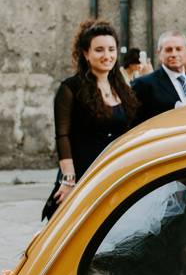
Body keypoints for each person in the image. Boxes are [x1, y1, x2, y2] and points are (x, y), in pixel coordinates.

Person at [47, 20, 140, 219]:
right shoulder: (70, 88)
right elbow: (62, 135)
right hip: (82, 173)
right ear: (85, 54)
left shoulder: (123, 88)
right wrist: (68, 179)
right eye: (99, 50)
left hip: (113, 173)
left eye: (111, 49)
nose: (107, 56)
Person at [131, 31, 186, 122]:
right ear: (159, 53)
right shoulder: (144, 84)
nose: (174, 54)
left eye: (178, 49)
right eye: (168, 50)